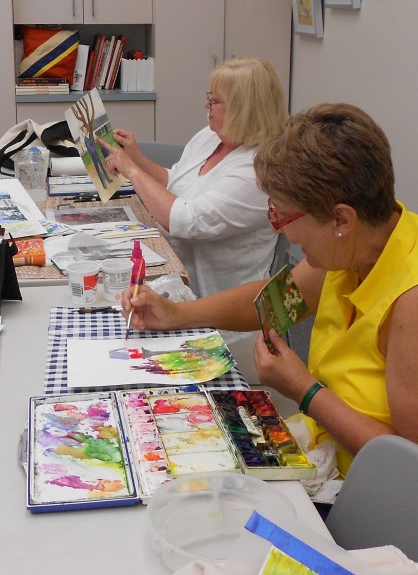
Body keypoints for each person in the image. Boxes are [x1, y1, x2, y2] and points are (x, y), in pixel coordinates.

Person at [121, 102, 418, 479]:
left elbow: (407, 465)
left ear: (342, 218)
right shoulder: (354, 248)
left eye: (284, 216)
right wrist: (177, 313)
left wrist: (304, 390)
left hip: (366, 497)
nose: (279, 230)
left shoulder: (409, 301)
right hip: (323, 454)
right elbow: (274, 303)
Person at [101, 57, 288, 297]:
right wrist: (137, 159)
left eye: (215, 100)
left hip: (218, 309)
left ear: (243, 109)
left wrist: (132, 171)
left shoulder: (259, 170)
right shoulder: (211, 137)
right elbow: (176, 183)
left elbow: (187, 221)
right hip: (173, 277)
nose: (206, 105)